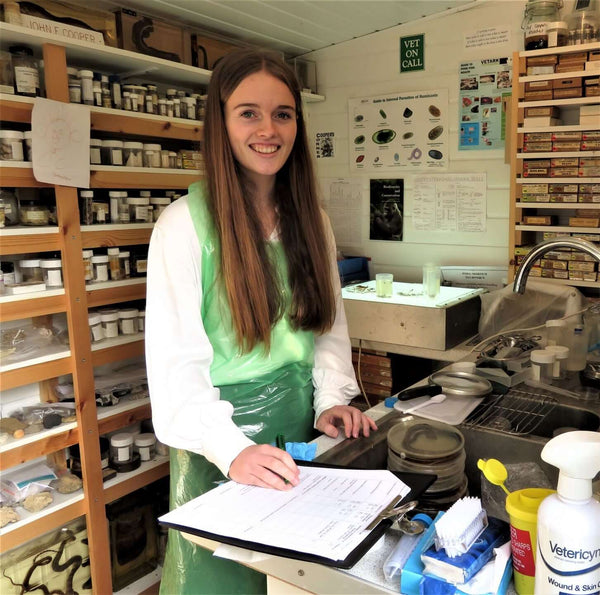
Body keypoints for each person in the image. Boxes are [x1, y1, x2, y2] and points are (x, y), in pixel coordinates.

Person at [145, 48, 377, 595]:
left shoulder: (311, 220)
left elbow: (327, 326)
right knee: (225, 579)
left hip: (298, 429)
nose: (268, 129)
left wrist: (331, 402)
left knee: (298, 576)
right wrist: (231, 450)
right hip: (219, 438)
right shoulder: (182, 227)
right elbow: (177, 362)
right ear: (219, 123)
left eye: (283, 113)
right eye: (248, 112)